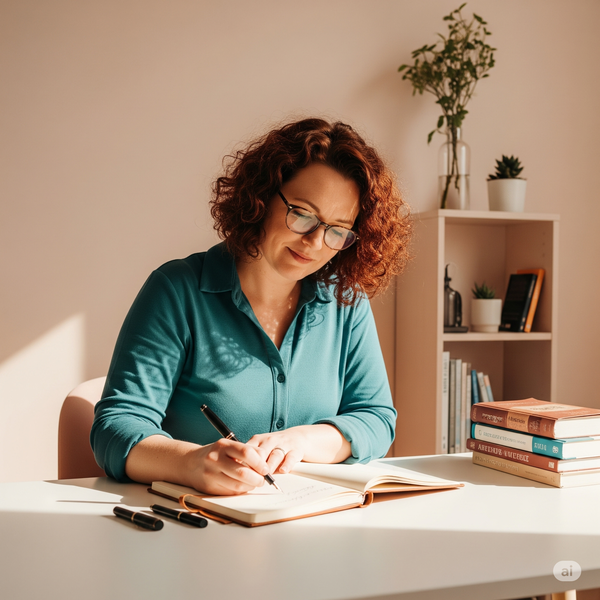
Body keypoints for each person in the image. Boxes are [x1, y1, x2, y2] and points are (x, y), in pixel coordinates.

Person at [91, 117, 412, 496]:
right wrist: (191, 464)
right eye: (304, 214)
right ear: (261, 196)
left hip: (315, 526)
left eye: (337, 229)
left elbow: (376, 419)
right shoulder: (177, 291)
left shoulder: (346, 301)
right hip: (195, 527)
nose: (314, 242)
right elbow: (116, 426)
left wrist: (304, 442)